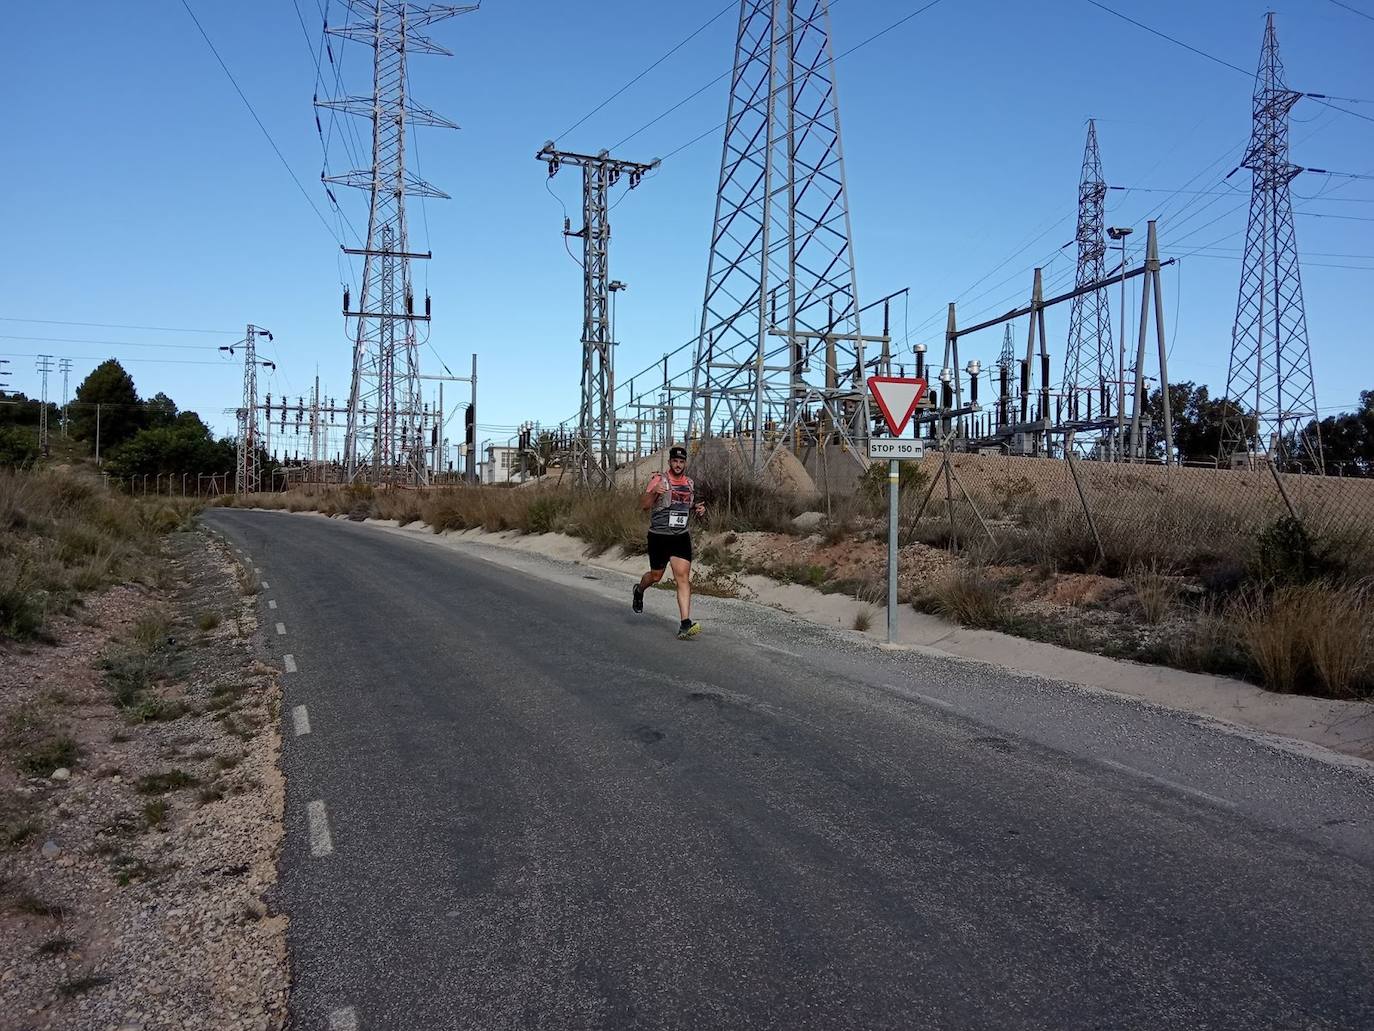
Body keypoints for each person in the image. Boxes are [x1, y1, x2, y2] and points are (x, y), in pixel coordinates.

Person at [632, 445, 706, 639]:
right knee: (656, 576)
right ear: (670, 462)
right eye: (675, 461)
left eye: (682, 462)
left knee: (682, 577)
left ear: (685, 463)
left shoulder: (689, 483)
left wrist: (697, 510)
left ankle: (685, 624)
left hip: (680, 536)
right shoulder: (659, 480)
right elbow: (644, 506)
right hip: (659, 536)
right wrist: (654, 492)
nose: (678, 465)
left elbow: (685, 506)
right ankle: (639, 590)